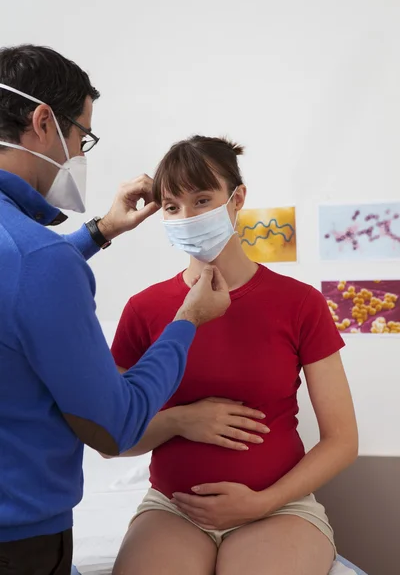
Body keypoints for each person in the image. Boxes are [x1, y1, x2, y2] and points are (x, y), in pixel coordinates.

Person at [0, 47, 231, 575]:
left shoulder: (34, 259)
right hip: (18, 540)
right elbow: (116, 428)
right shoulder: (50, 265)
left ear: (236, 200)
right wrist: (186, 323)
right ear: (42, 122)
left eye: (204, 200)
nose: (81, 153)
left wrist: (98, 232)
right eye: (82, 138)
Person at [110, 135, 359, 575]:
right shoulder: (143, 309)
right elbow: (112, 439)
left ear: (237, 198)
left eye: (202, 199)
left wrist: (262, 502)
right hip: (173, 509)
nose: (187, 217)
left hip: (278, 508)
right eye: (172, 206)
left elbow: (342, 440)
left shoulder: (299, 303)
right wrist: (179, 420)